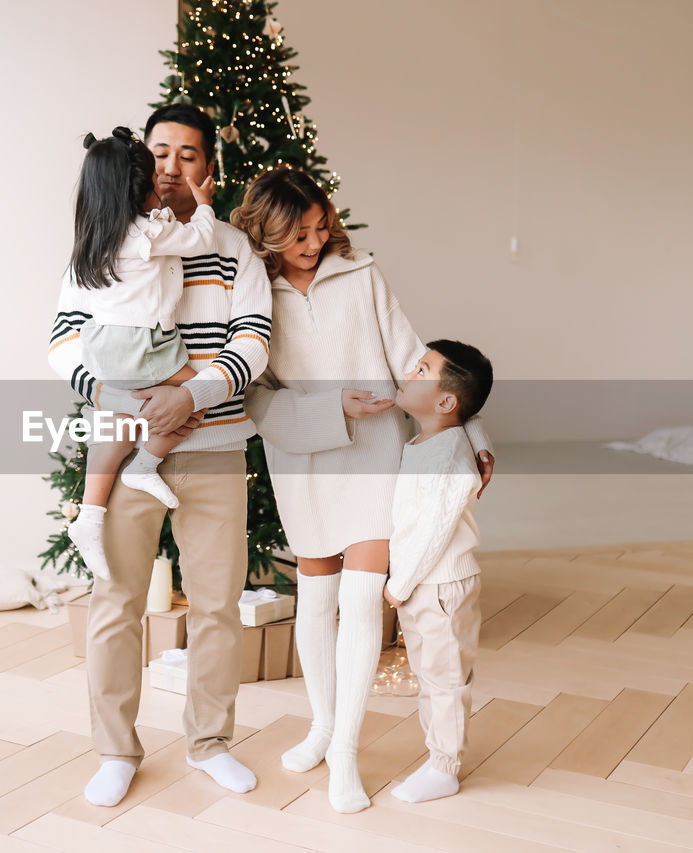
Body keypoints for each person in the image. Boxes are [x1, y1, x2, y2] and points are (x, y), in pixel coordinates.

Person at [231, 168, 494, 813]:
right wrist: (331, 410)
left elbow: (419, 359)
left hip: (376, 452)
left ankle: (346, 753)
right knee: (315, 599)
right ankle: (322, 725)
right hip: (302, 457)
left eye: (322, 227)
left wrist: (475, 431)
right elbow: (254, 398)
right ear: (267, 231)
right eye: (300, 234)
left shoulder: (361, 275)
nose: (315, 242)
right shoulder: (250, 290)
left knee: (361, 597)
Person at [47, 104, 272, 807]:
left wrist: (192, 398)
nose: (173, 166)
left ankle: (210, 743)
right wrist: (122, 398)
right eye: (161, 152)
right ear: (143, 163)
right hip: (125, 444)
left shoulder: (231, 247)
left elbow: (256, 340)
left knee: (217, 604)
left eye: (189, 155)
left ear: (210, 167)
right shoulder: (102, 242)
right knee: (115, 602)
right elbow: (61, 342)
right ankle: (116, 749)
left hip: (213, 447)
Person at [63, 126, 218, 580]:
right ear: (137, 192)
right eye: (153, 182)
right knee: (199, 395)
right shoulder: (146, 234)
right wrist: (204, 203)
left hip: (105, 347)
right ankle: (145, 465)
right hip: (144, 345)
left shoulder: (95, 238)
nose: (162, 186)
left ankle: (90, 516)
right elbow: (200, 240)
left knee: (118, 427)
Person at [383, 340, 493, 804]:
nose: (411, 370)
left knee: (445, 678)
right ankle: (437, 757)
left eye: (423, 369)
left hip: (441, 583)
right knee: (430, 675)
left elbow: (434, 530)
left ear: (446, 402)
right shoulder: (428, 438)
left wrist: (400, 582)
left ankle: (445, 767)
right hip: (424, 582)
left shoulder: (449, 457)